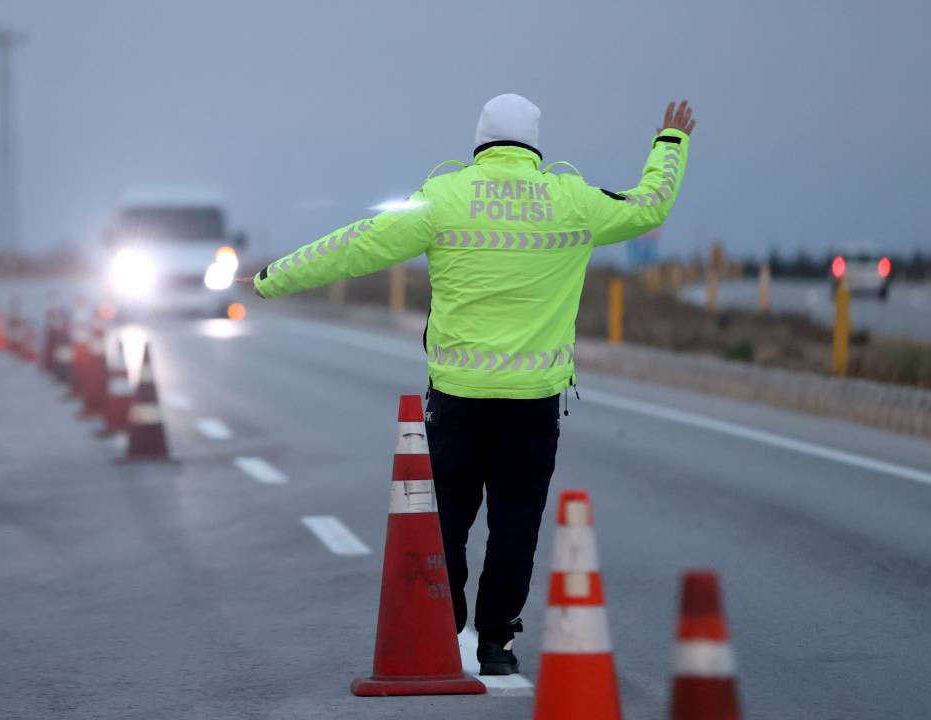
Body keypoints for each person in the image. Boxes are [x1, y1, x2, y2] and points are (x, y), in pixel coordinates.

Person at [240, 94, 694, 675]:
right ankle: (496, 644)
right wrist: (669, 144)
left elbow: (355, 245)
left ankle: (446, 622)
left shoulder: (443, 198)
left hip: (456, 398)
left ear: (479, 141)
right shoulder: (573, 201)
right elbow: (649, 207)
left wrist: (273, 277)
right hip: (532, 402)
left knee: (446, 519)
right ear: (535, 144)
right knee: (516, 524)